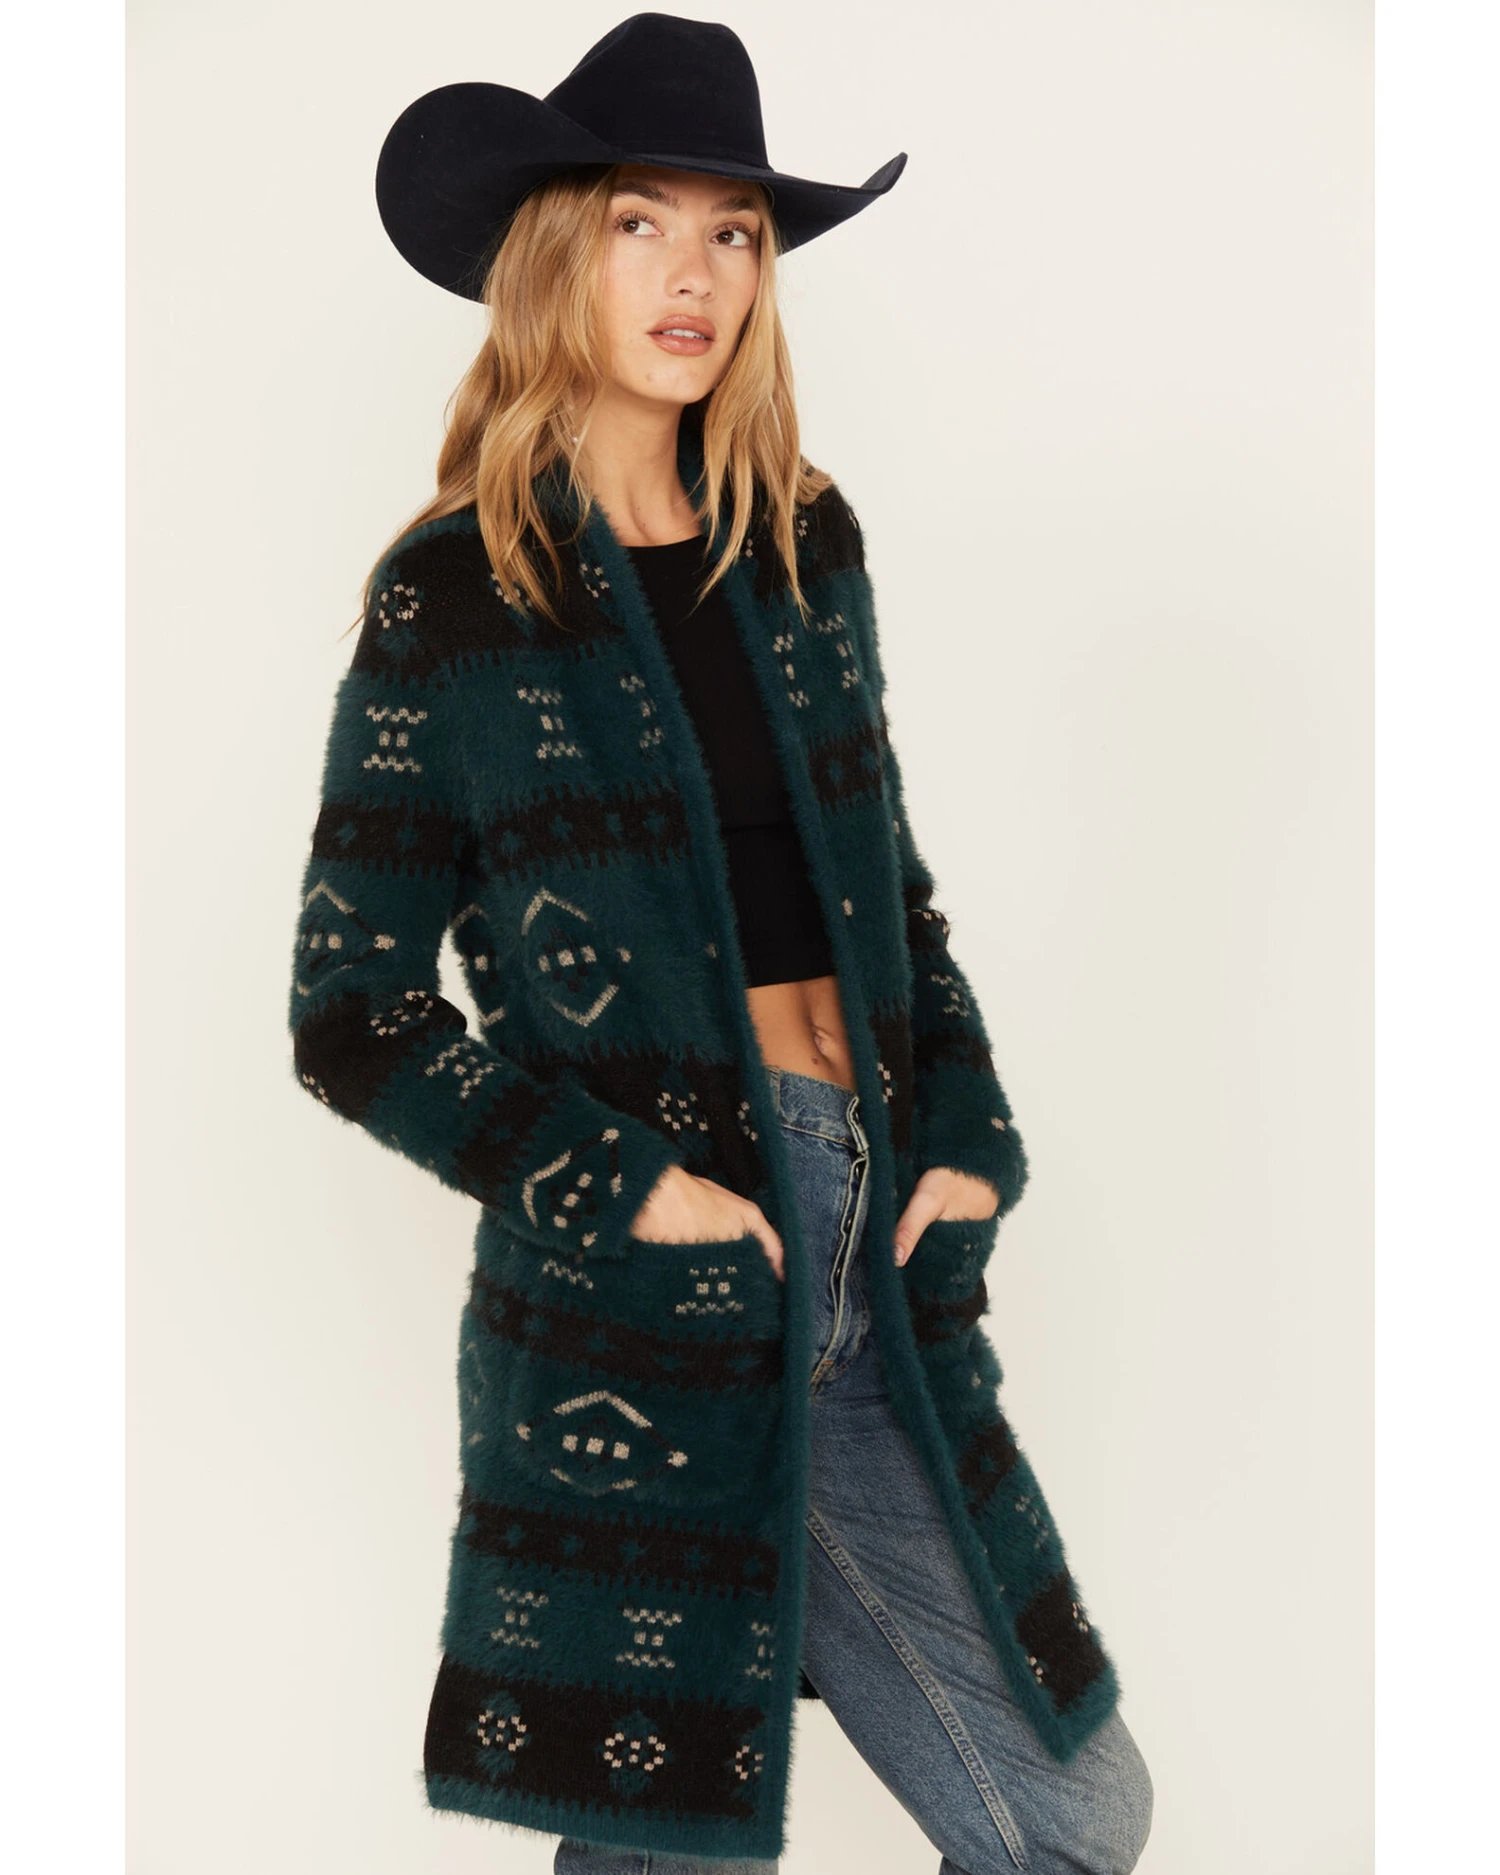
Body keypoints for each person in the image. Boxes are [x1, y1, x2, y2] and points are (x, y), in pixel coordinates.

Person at [290, 16, 1153, 1873]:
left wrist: (969, 1142)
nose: (694, 274)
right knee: (660, 1840)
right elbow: (350, 1010)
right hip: (655, 1280)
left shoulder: (802, 545)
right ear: (556, 251)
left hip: (875, 1253)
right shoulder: (453, 598)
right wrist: (630, 1190)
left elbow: (891, 896)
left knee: (1074, 1812)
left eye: (735, 233)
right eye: (641, 223)